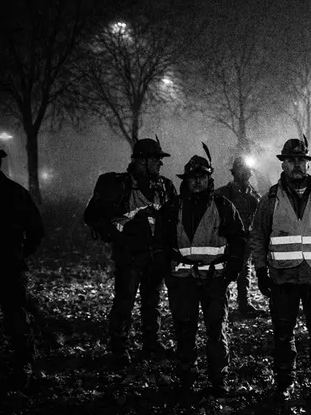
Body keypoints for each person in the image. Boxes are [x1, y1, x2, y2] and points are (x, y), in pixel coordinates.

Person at [250, 137, 311, 407]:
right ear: (283, 164)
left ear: (307, 163)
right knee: (283, 333)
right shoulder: (270, 198)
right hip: (283, 278)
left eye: (300, 160)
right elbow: (258, 235)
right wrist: (260, 270)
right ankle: (284, 384)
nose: (296, 165)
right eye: (290, 160)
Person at [83, 138, 177, 367]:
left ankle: (151, 343)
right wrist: (117, 236)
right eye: (156, 159)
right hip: (129, 257)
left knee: (152, 302)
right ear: (141, 161)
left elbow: (174, 219)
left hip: (155, 256)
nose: (160, 164)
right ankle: (119, 347)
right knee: (124, 303)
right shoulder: (117, 185)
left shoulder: (165, 186)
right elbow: (92, 216)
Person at [162, 150, 246, 396]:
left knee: (216, 331)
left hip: (214, 281)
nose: (197, 181)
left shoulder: (223, 206)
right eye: (192, 177)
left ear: (209, 178)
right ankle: (187, 378)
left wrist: (231, 270)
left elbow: (239, 239)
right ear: (185, 179)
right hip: (182, 282)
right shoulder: (172, 208)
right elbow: (161, 243)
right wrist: (165, 272)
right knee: (184, 330)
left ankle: (218, 380)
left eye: (202, 176)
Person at [0, 148, 45, 389]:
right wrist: (22, 253)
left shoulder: (15, 193)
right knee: (16, 314)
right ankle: (23, 362)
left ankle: (23, 362)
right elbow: (37, 230)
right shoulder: (16, 193)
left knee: (16, 314)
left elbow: (36, 229)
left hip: (9, 263)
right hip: (10, 263)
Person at [215, 155, 264, 316]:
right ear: (235, 172)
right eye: (243, 170)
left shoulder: (253, 194)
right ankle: (222, 303)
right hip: (228, 240)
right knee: (227, 272)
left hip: (247, 239)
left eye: (248, 171)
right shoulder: (223, 193)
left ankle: (244, 303)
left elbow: (261, 214)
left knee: (245, 271)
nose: (247, 174)